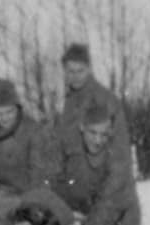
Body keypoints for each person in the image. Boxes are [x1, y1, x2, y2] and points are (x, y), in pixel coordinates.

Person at [54, 43, 131, 174]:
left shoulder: (104, 99)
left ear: (89, 69)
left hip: (101, 179)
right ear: (65, 72)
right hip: (76, 179)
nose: (75, 76)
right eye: (71, 71)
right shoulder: (67, 102)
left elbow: (120, 148)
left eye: (80, 71)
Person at [0, 79, 49, 195]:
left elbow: (37, 169)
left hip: (25, 192)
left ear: (17, 108)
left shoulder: (32, 129)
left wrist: (30, 197)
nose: (5, 118)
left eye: (9, 112)